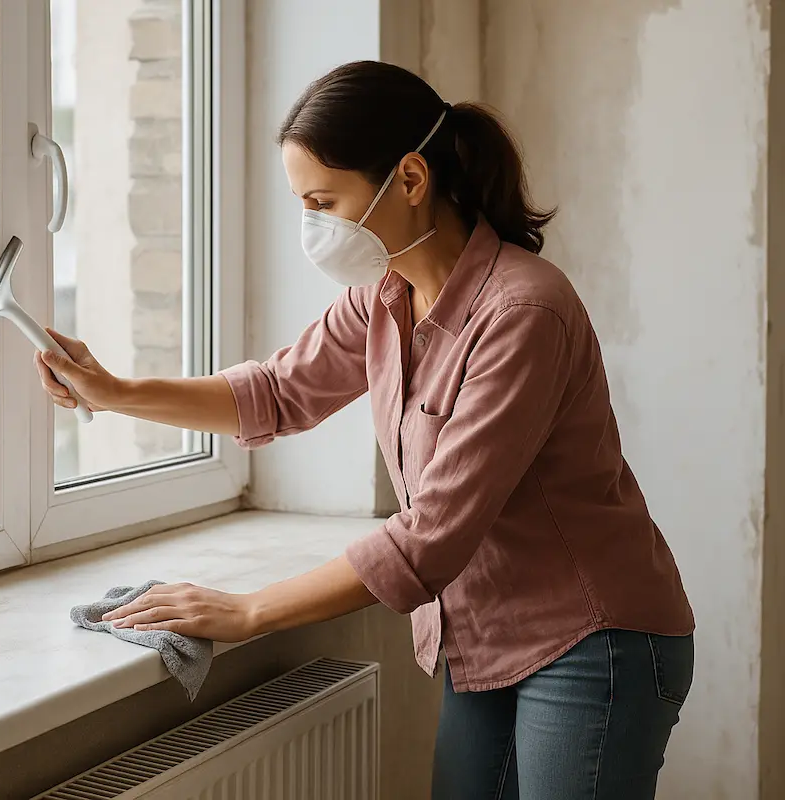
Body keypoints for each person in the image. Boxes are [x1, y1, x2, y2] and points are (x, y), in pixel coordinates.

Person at [35, 60, 695, 800]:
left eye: (323, 201)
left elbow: (432, 534)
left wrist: (247, 612)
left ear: (410, 180)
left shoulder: (522, 312)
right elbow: (279, 392)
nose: (313, 227)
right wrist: (116, 392)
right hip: (487, 640)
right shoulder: (385, 298)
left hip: (592, 639)